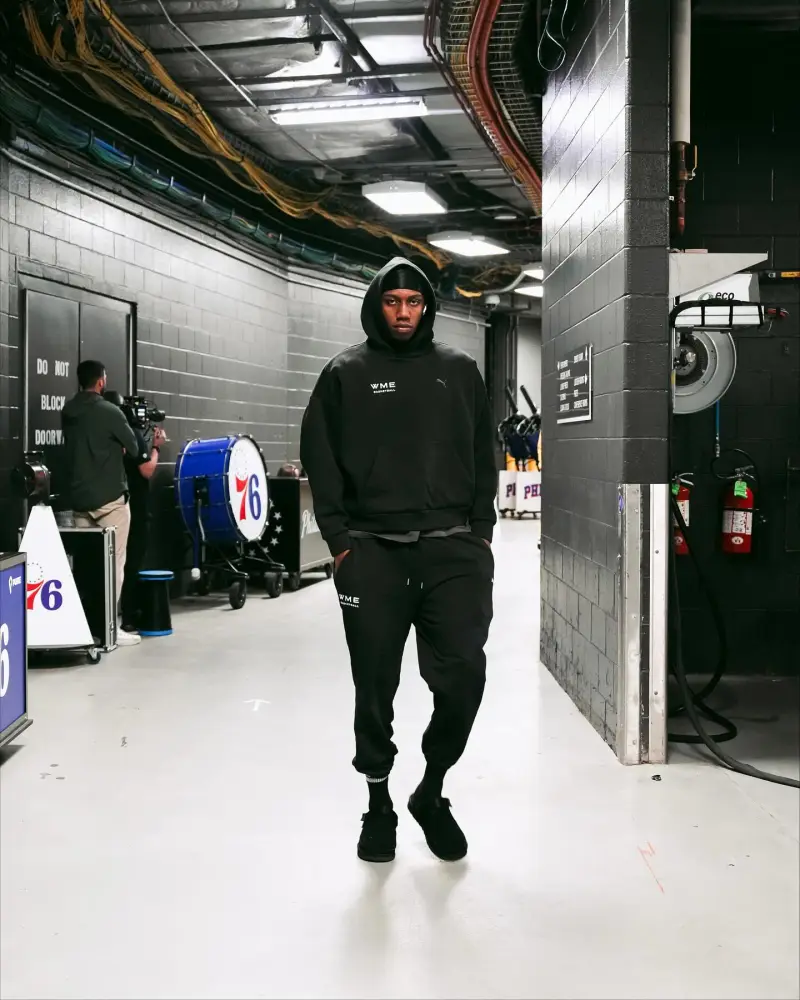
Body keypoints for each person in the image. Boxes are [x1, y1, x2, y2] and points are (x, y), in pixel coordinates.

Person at [300, 257, 496, 864]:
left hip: (452, 550)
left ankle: (430, 791)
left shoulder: (458, 371)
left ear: (427, 307)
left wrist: (482, 533)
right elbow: (320, 459)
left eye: (413, 302)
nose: (403, 312)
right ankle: (378, 802)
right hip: (372, 552)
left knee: (463, 677)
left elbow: (483, 451)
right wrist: (340, 542)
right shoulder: (345, 373)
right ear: (376, 306)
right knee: (374, 686)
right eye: (393, 302)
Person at [61, 361, 148, 647]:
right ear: (101, 382)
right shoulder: (111, 412)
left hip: (79, 500)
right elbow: (134, 449)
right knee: (114, 566)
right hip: (110, 502)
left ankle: (87, 627)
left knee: (87, 566)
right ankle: (110, 628)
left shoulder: (68, 411)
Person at [103, 391, 167, 634]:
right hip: (134, 508)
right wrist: (156, 448)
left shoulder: (106, 436)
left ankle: (108, 617)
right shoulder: (132, 435)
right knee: (130, 564)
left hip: (111, 502)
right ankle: (128, 617)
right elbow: (147, 470)